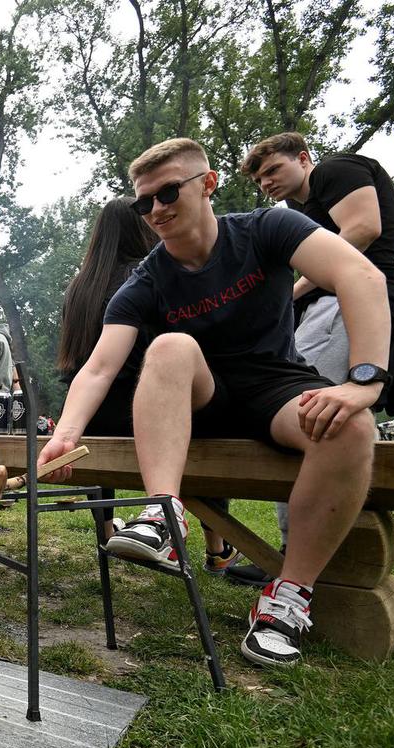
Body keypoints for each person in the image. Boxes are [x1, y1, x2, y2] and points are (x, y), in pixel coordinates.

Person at [39, 137, 390, 668]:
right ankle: (164, 516)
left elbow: (358, 274)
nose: (156, 209)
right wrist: (66, 433)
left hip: (276, 386)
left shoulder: (267, 228)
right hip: (202, 397)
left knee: (353, 428)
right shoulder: (146, 277)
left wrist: (365, 380)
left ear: (207, 183)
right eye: (144, 202)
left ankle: (287, 598)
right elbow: (100, 365)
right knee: (171, 347)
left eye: (168, 192)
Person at [240, 132, 394, 581]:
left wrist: (294, 289)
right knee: (329, 420)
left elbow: (367, 229)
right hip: (351, 309)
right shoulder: (301, 210)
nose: (266, 183)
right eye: (259, 179)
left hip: (340, 309)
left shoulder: (337, 170)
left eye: (273, 170)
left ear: (304, 158)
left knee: (301, 410)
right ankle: (326, 545)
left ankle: (295, 551)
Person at [56, 198, 252, 573]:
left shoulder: (79, 287)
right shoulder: (148, 276)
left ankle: (108, 527)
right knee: (201, 425)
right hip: (141, 412)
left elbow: (85, 365)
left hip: (91, 418)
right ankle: (218, 549)